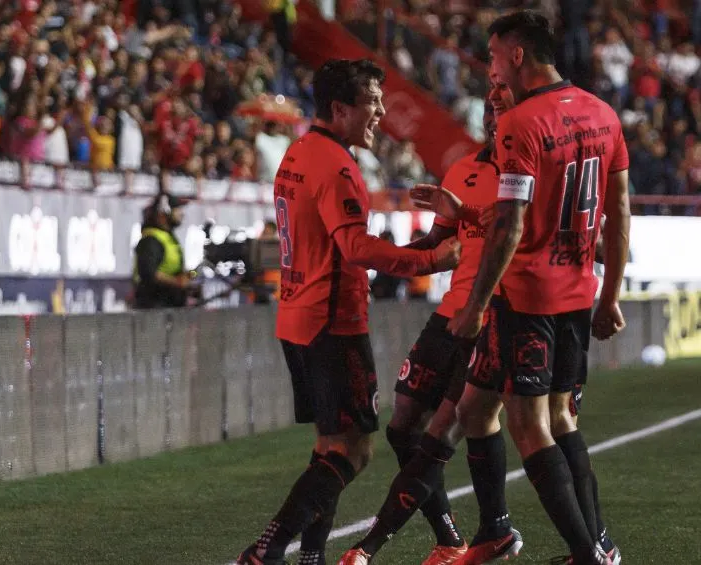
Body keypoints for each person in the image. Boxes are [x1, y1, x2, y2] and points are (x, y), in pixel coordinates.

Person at [234, 59, 460, 565]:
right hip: (332, 322)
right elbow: (356, 248)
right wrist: (431, 261)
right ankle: (267, 549)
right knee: (354, 451)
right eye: (372, 103)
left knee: (329, 447)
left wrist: (429, 242)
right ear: (340, 109)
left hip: (298, 317)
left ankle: (312, 557)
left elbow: (337, 247)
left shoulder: (298, 153)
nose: (380, 113)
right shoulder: (337, 165)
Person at [448, 11, 630, 565]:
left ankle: (586, 553)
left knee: (529, 425)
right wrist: (610, 295)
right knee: (522, 414)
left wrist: (475, 304)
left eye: (493, 55)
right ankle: (573, 543)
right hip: (577, 292)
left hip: (528, 296)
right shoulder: (603, 115)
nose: (491, 67)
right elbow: (620, 211)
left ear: (517, 55)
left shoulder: (520, 123)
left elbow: (510, 224)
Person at [337, 98, 508, 565]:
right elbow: (439, 243)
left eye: (504, 109)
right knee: (401, 426)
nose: (495, 119)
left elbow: (514, 234)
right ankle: (450, 539)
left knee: (440, 434)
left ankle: (367, 548)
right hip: (449, 315)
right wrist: (389, 260)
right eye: (490, 110)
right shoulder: (463, 170)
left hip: (494, 318)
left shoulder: (529, 174)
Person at [132, 193, 192, 309]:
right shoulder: (151, 240)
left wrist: (188, 277)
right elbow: (149, 273)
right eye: (177, 209)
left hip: (169, 307)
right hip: (155, 308)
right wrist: (177, 282)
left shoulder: (166, 237)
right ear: (163, 213)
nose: (182, 214)